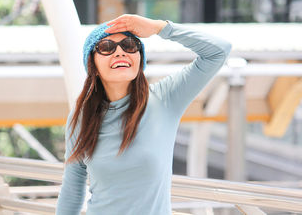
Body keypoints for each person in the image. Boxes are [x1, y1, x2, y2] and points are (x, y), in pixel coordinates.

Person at [56, 14, 232, 215]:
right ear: (92, 65)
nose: (120, 52)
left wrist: (159, 27)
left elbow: (219, 51)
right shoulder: (81, 117)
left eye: (129, 45)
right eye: (106, 47)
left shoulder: (165, 98)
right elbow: (72, 189)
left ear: (140, 58)